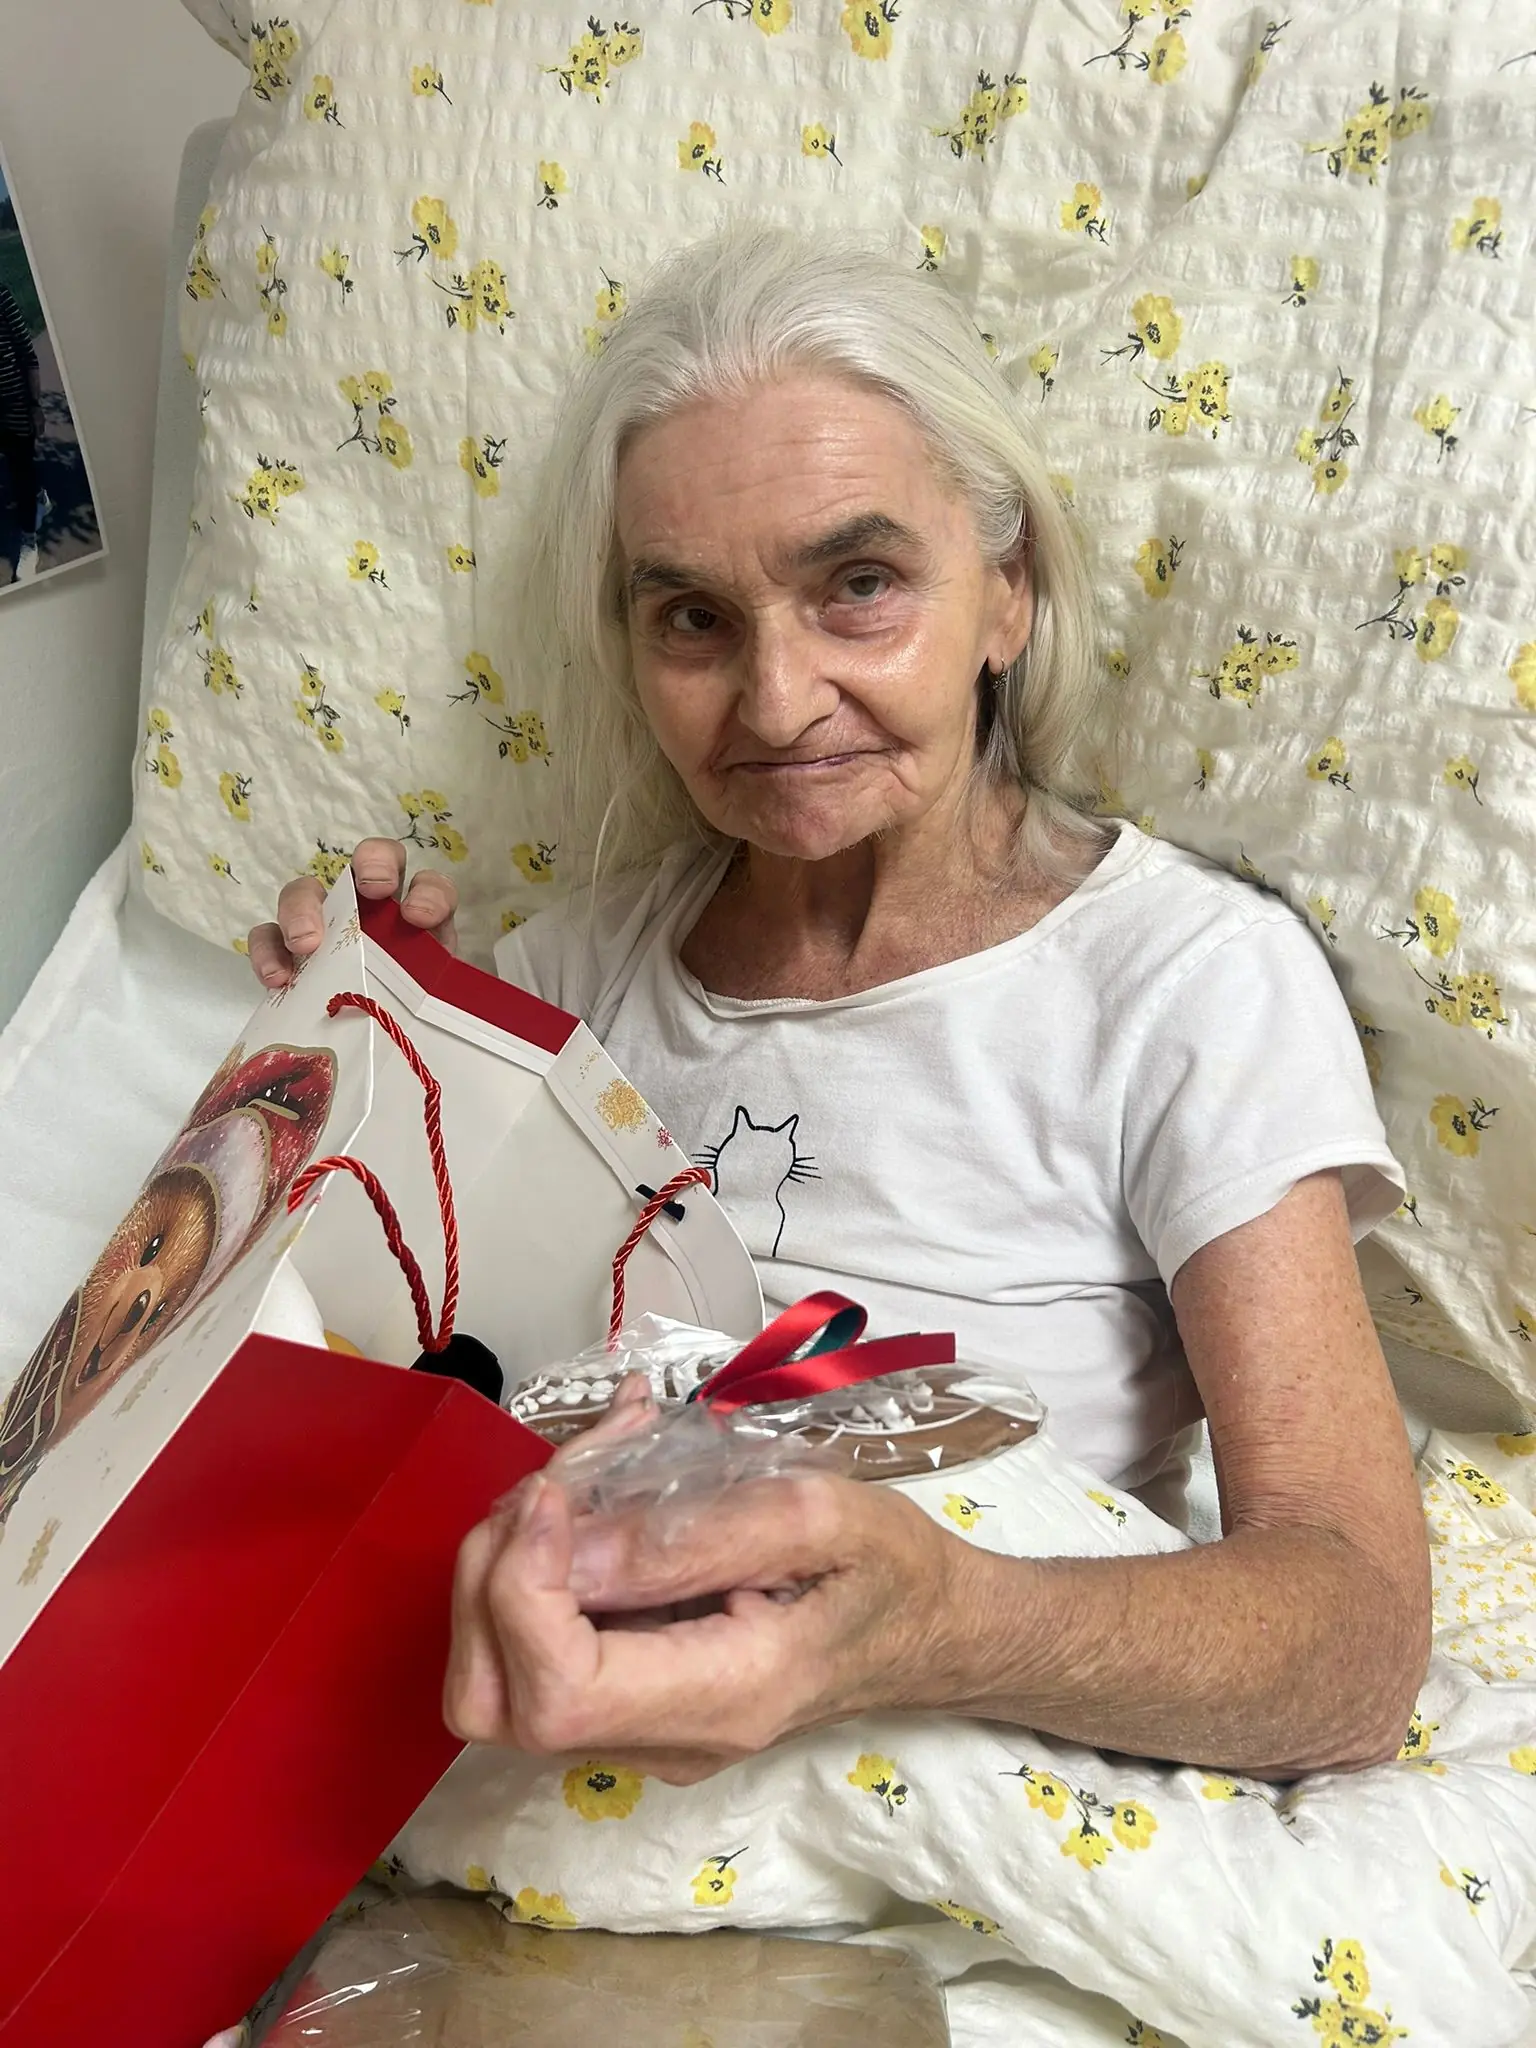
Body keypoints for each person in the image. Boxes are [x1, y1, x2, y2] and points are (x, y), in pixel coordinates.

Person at [249, 230, 1430, 1786]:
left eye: (859, 587)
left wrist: (927, 1627)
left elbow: (1354, 1647)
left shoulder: (1184, 985)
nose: (777, 699)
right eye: (692, 618)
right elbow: (389, 1404)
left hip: (957, 1790)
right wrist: (352, 1076)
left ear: (1007, 595)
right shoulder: (559, 990)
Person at [0, 279, 47, 582]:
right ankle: (39, 498)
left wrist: (35, 405)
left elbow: (27, 353)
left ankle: (29, 542)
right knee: (18, 469)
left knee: (21, 472)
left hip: (16, 406)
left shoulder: (1, 295)